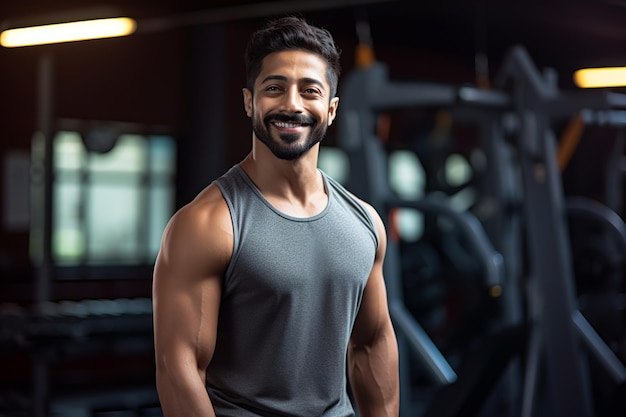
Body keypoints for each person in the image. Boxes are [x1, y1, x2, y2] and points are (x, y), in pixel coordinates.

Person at [152, 15, 399, 417]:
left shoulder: (365, 223)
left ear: (331, 109)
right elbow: (179, 368)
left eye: (310, 91)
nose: (292, 104)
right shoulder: (207, 224)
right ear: (250, 100)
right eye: (275, 88)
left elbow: (372, 342)